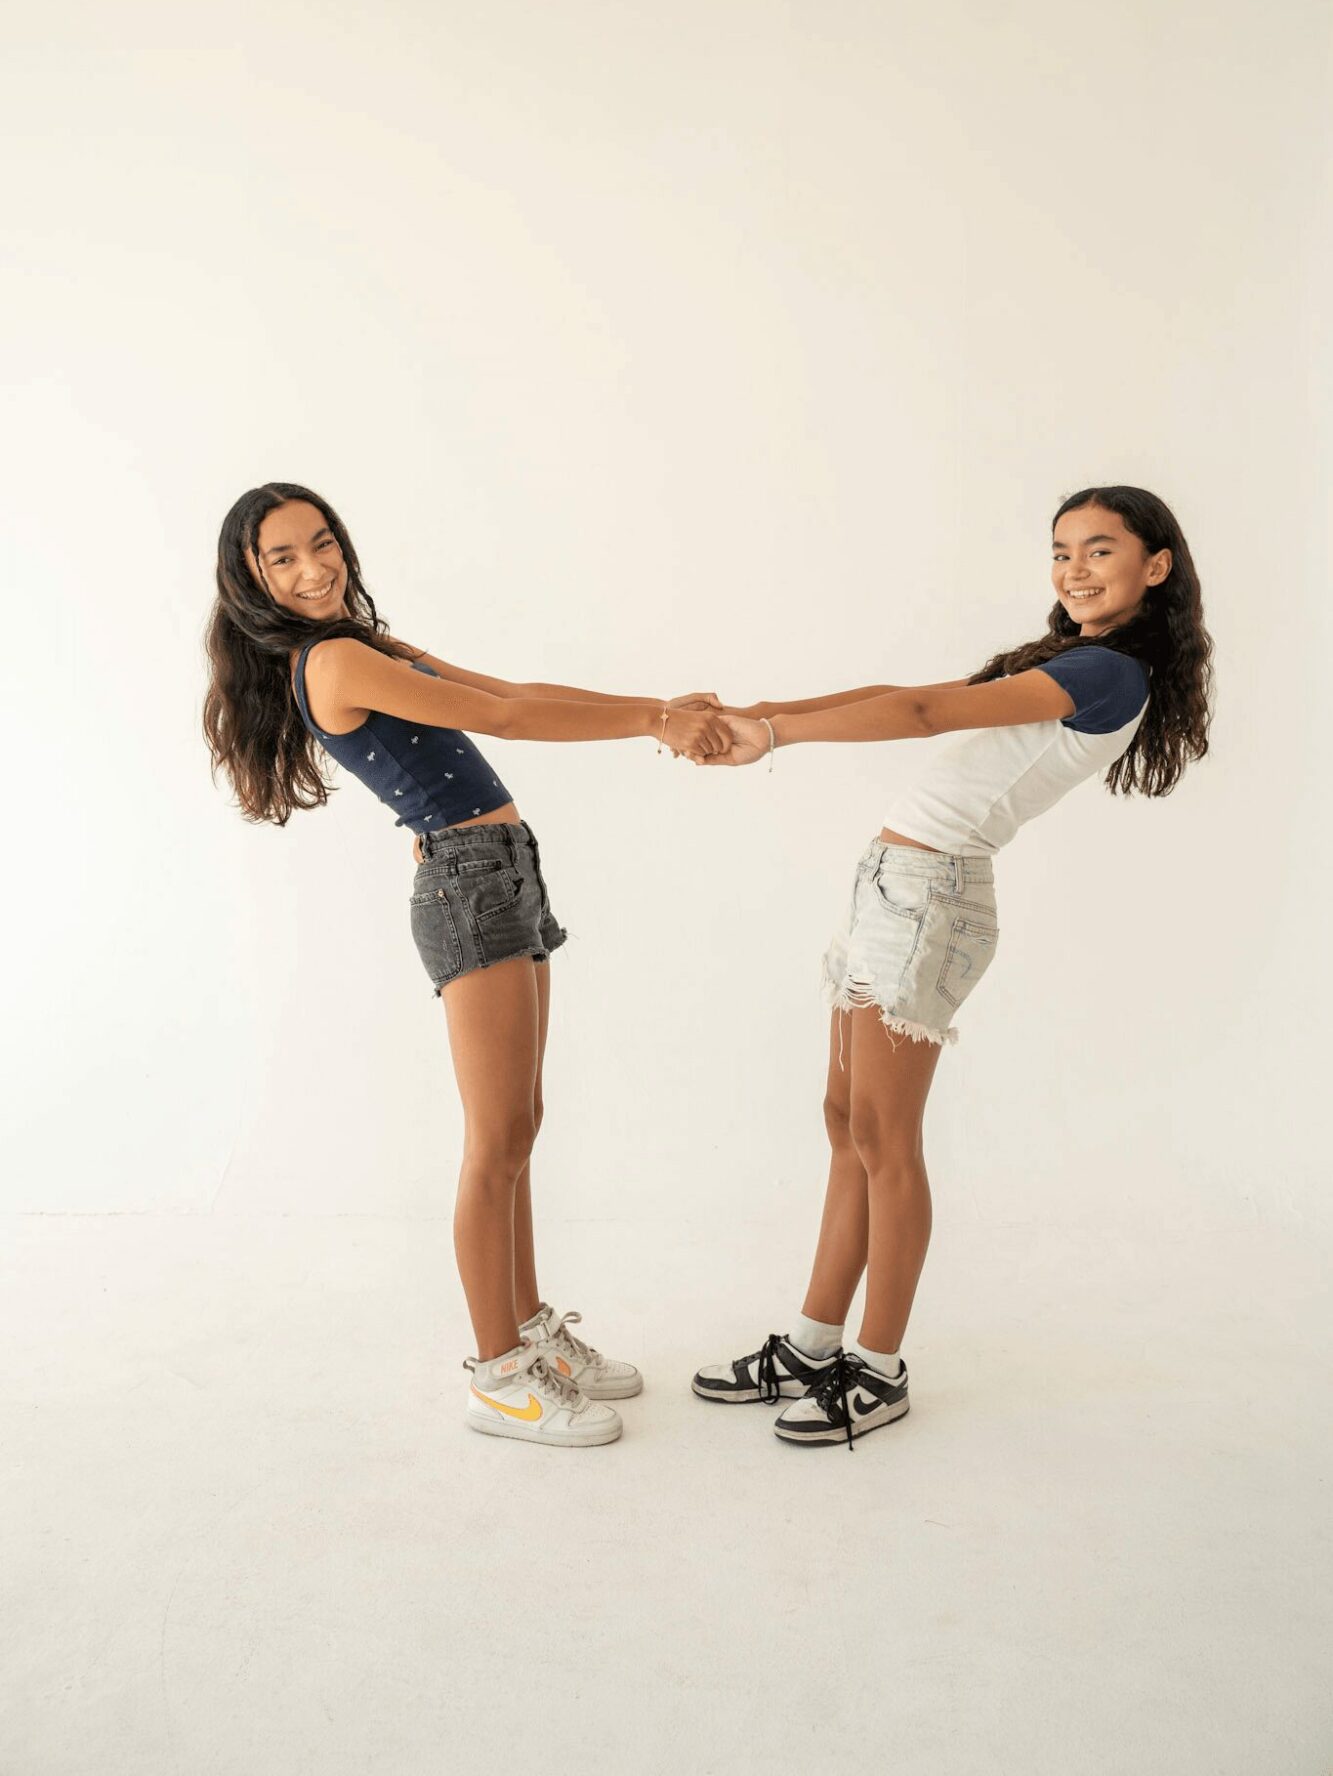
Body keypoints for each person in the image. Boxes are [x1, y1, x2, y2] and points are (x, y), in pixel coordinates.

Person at [203, 482, 731, 1449]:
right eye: (283, 557)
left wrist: (657, 707)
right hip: (467, 885)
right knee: (494, 1142)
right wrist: (654, 721)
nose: (314, 567)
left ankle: (530, 1333)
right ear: (251, 578)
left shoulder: (367, 643)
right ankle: (499, 1377)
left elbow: (512, 693)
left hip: (503, 869)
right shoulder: (333, 660)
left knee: (521, 1124)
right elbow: (508, 722)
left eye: (322, 542)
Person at [690, 486, 1214, 1450]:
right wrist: (754, 712)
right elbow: (902, 692)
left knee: (884, 1137)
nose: (1074, 569)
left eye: (1099, 550)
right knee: (846, 1123)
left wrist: (770, 735)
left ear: (1155, 566)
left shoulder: (1106, 672)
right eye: (1060, 551)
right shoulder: (1064, 661)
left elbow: (924, 712)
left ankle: (878, 1368)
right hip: (892, 888)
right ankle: (812, 1344)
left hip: (929, 897)